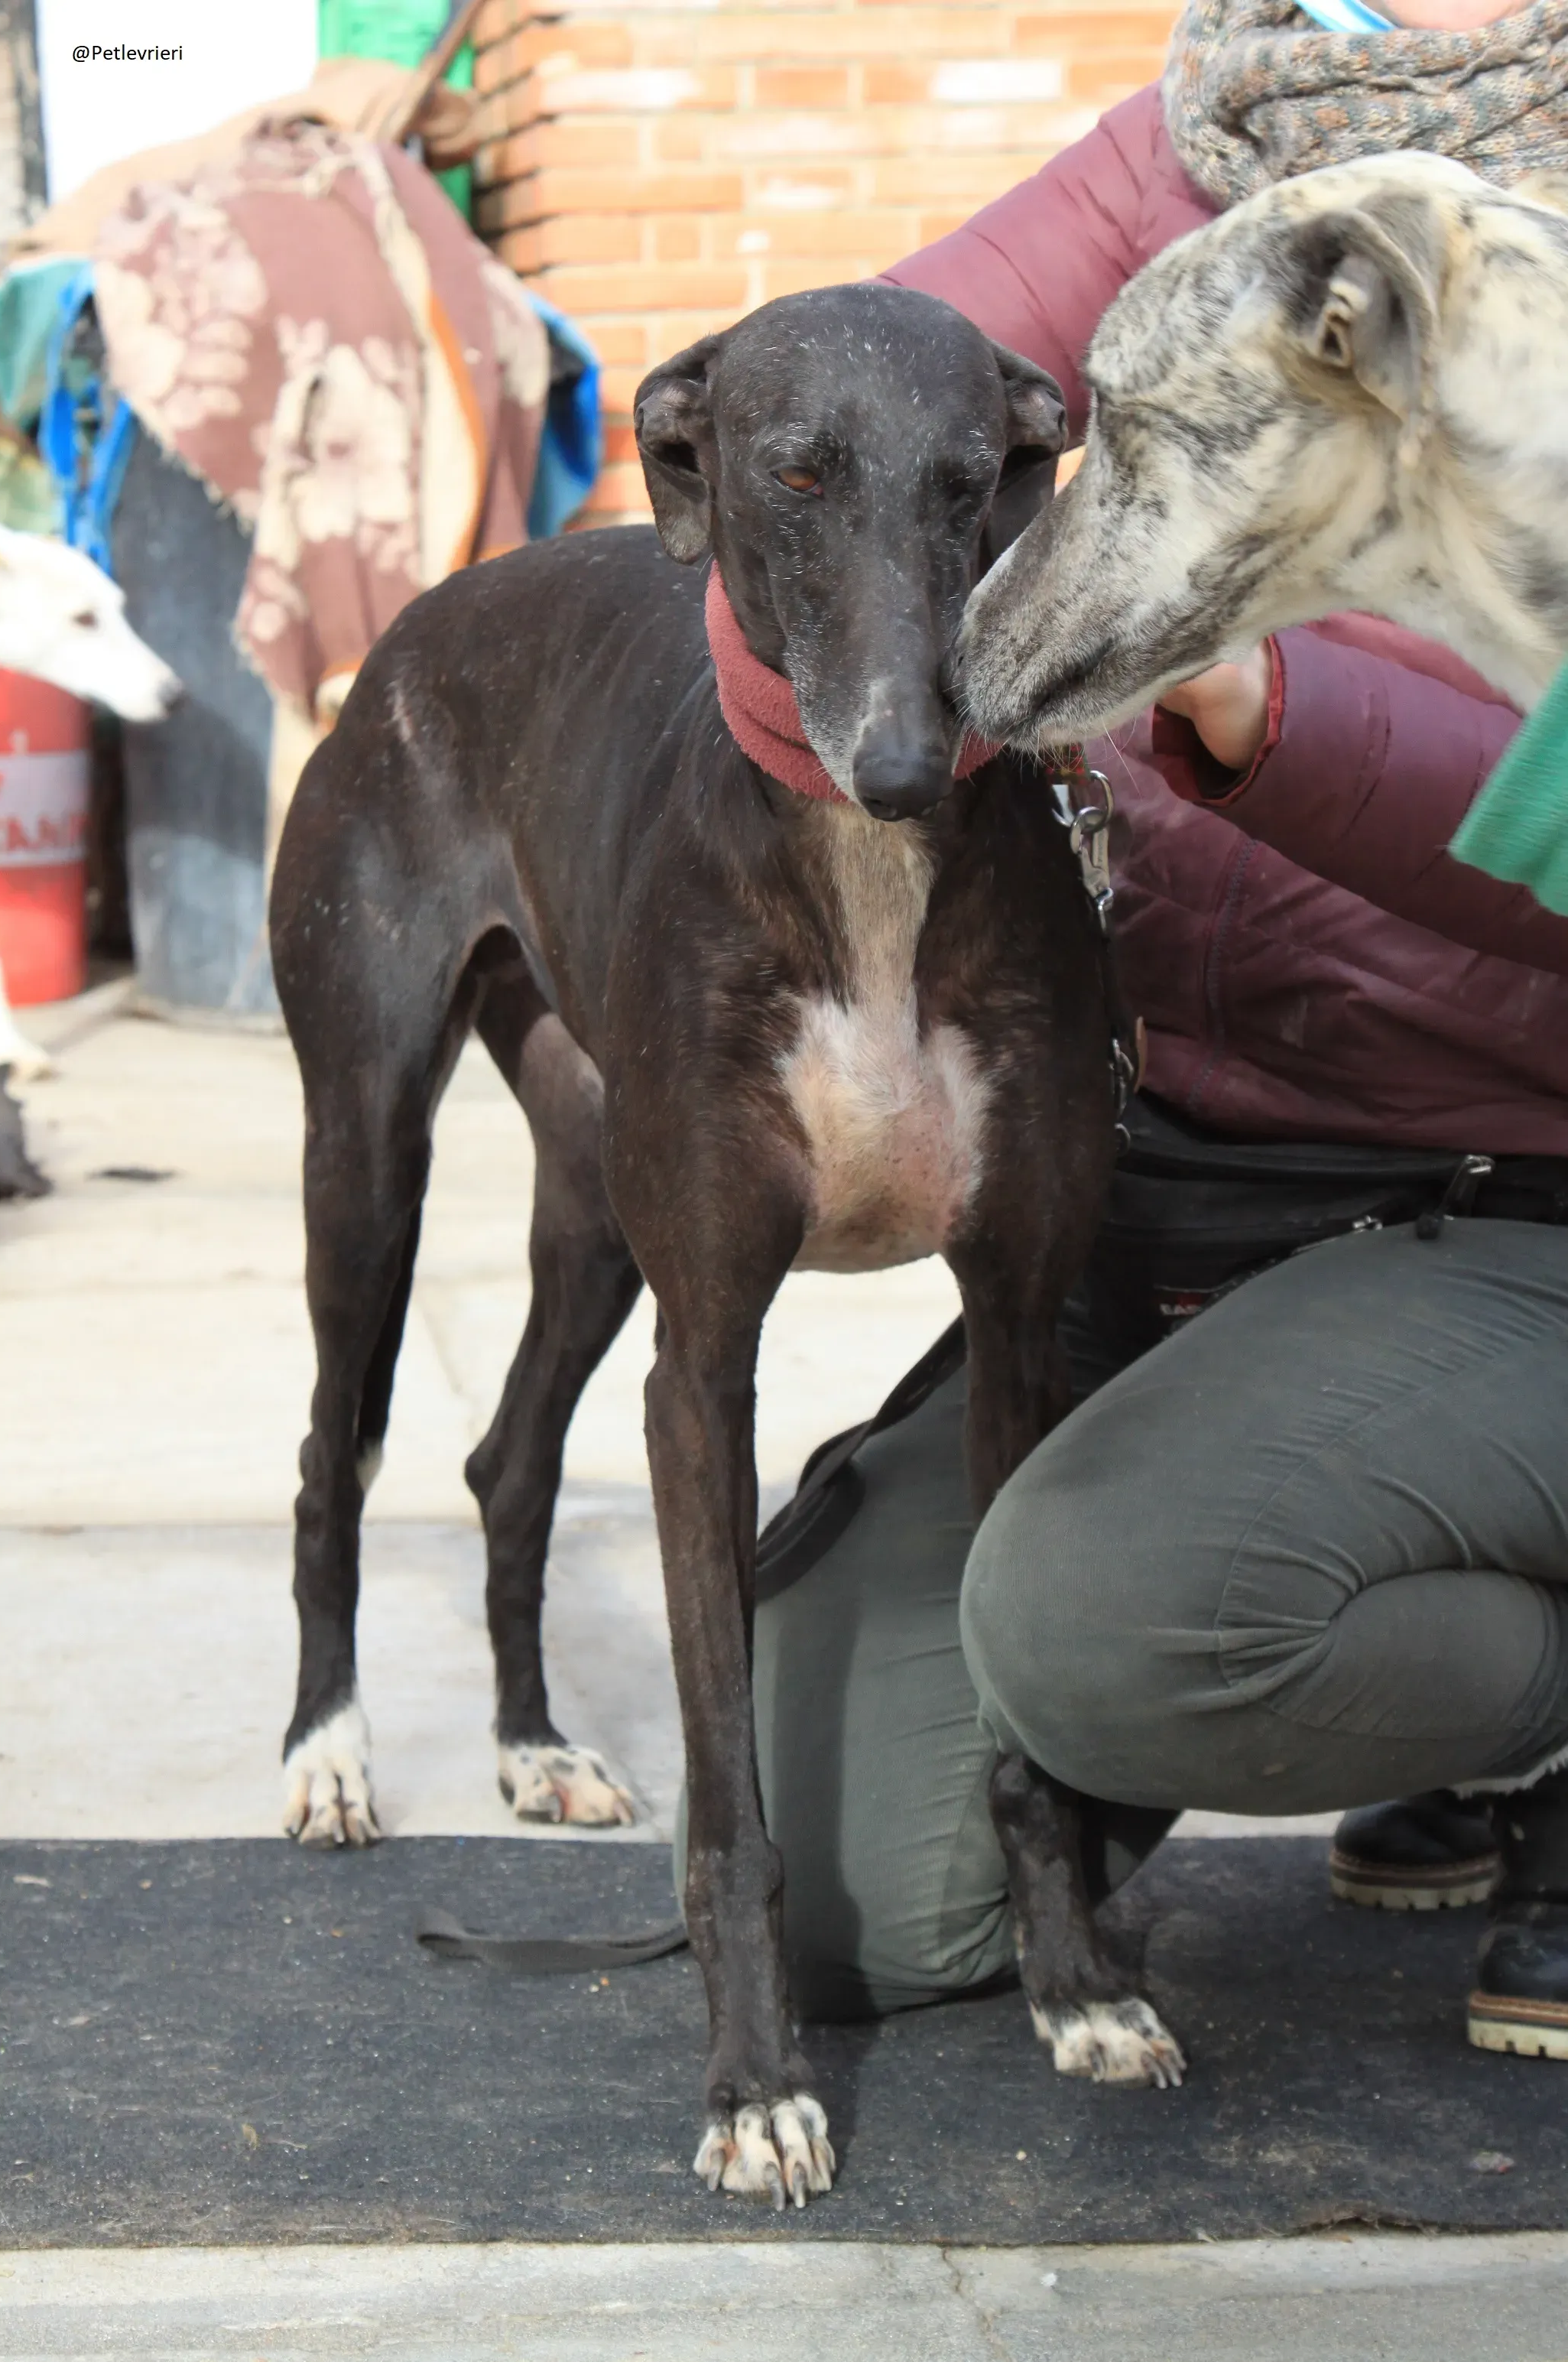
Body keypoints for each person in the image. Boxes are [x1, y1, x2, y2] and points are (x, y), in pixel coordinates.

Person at [742, 0, 1568, 2061]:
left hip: (1521, 1200)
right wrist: (836, 606)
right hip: (1187, 1178)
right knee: (849, 1894)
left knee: (1112, 1630)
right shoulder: (1174, 157)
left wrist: (1268, 725)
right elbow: (775, 598)